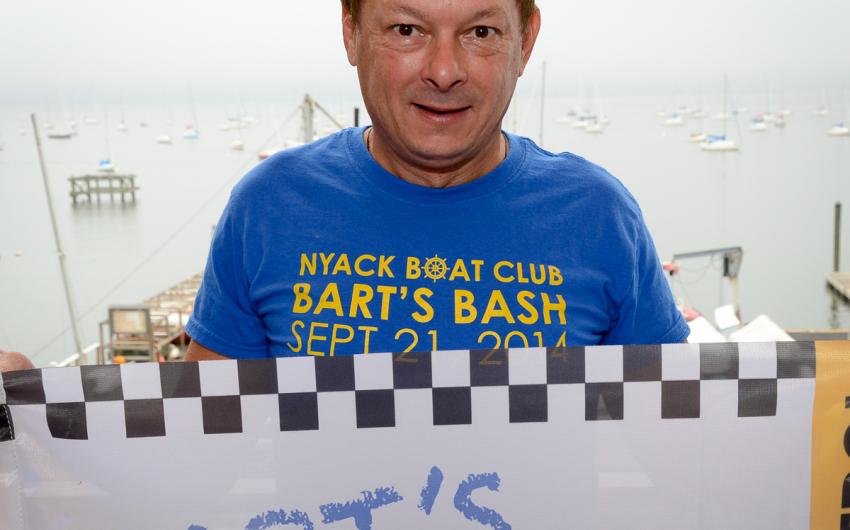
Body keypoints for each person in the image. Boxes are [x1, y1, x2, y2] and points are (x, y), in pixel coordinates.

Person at [183, 0, 688, 363]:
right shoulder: (270, 206)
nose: (444, 72)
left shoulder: (597, 215)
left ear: (525, 41)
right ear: (351, 33)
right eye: (407, 30)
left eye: (481, 33)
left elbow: (672, 444)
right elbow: (207, 448)